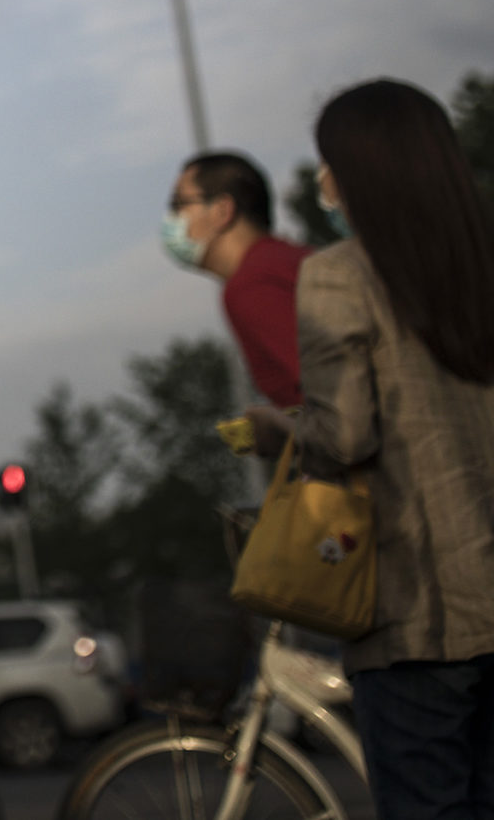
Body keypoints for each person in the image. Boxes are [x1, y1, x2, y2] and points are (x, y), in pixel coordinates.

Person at [294, 78, 494, 820]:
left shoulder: (338, 275)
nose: (323, 182)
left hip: (419, 614)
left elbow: (343, 433)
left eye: (328, 163)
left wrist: (289, 430)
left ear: (362, 173)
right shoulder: (480, 267)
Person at [163, 150, 311, 452]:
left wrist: (276, 426)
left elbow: (338, 407)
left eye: (179, 205)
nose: (171, 221)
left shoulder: (253, 284)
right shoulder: (288, 262)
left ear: (222, 211)